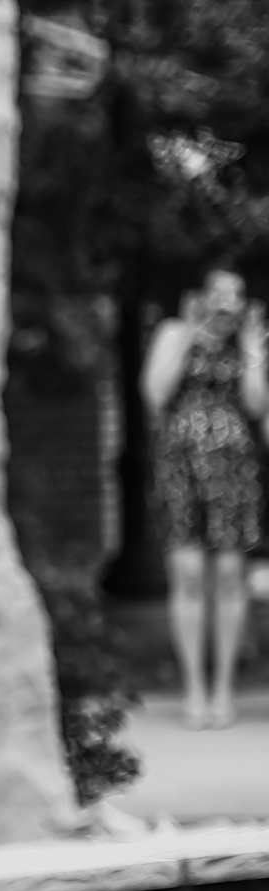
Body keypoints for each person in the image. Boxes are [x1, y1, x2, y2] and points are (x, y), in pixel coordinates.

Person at [143, 263, 268, 729]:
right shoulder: (173, 333)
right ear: (199, 295)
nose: (227, 304)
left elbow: (257, 406)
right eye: (219, 293)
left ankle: (223, 692)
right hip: (180, 467)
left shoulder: (247, 343)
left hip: (234, 470)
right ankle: (194, 689)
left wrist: (255, 350)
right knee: (189, 576)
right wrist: (192, 333)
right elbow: (155, 394)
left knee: (231, 578)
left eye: (236, 295)